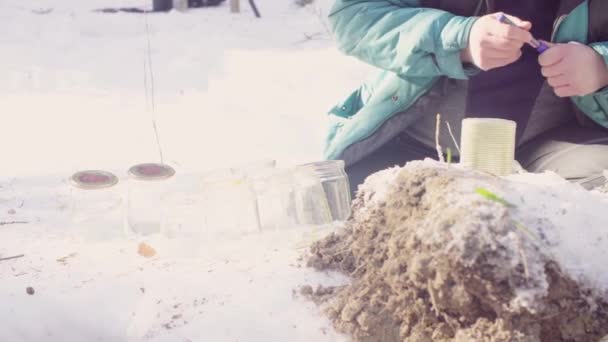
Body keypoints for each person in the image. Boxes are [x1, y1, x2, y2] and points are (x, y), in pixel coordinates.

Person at [323, 0, 608, 195]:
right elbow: (353, 15)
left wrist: (601, 67)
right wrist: (461, 39)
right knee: (352, 217)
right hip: (411, 143)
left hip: (553, 151)